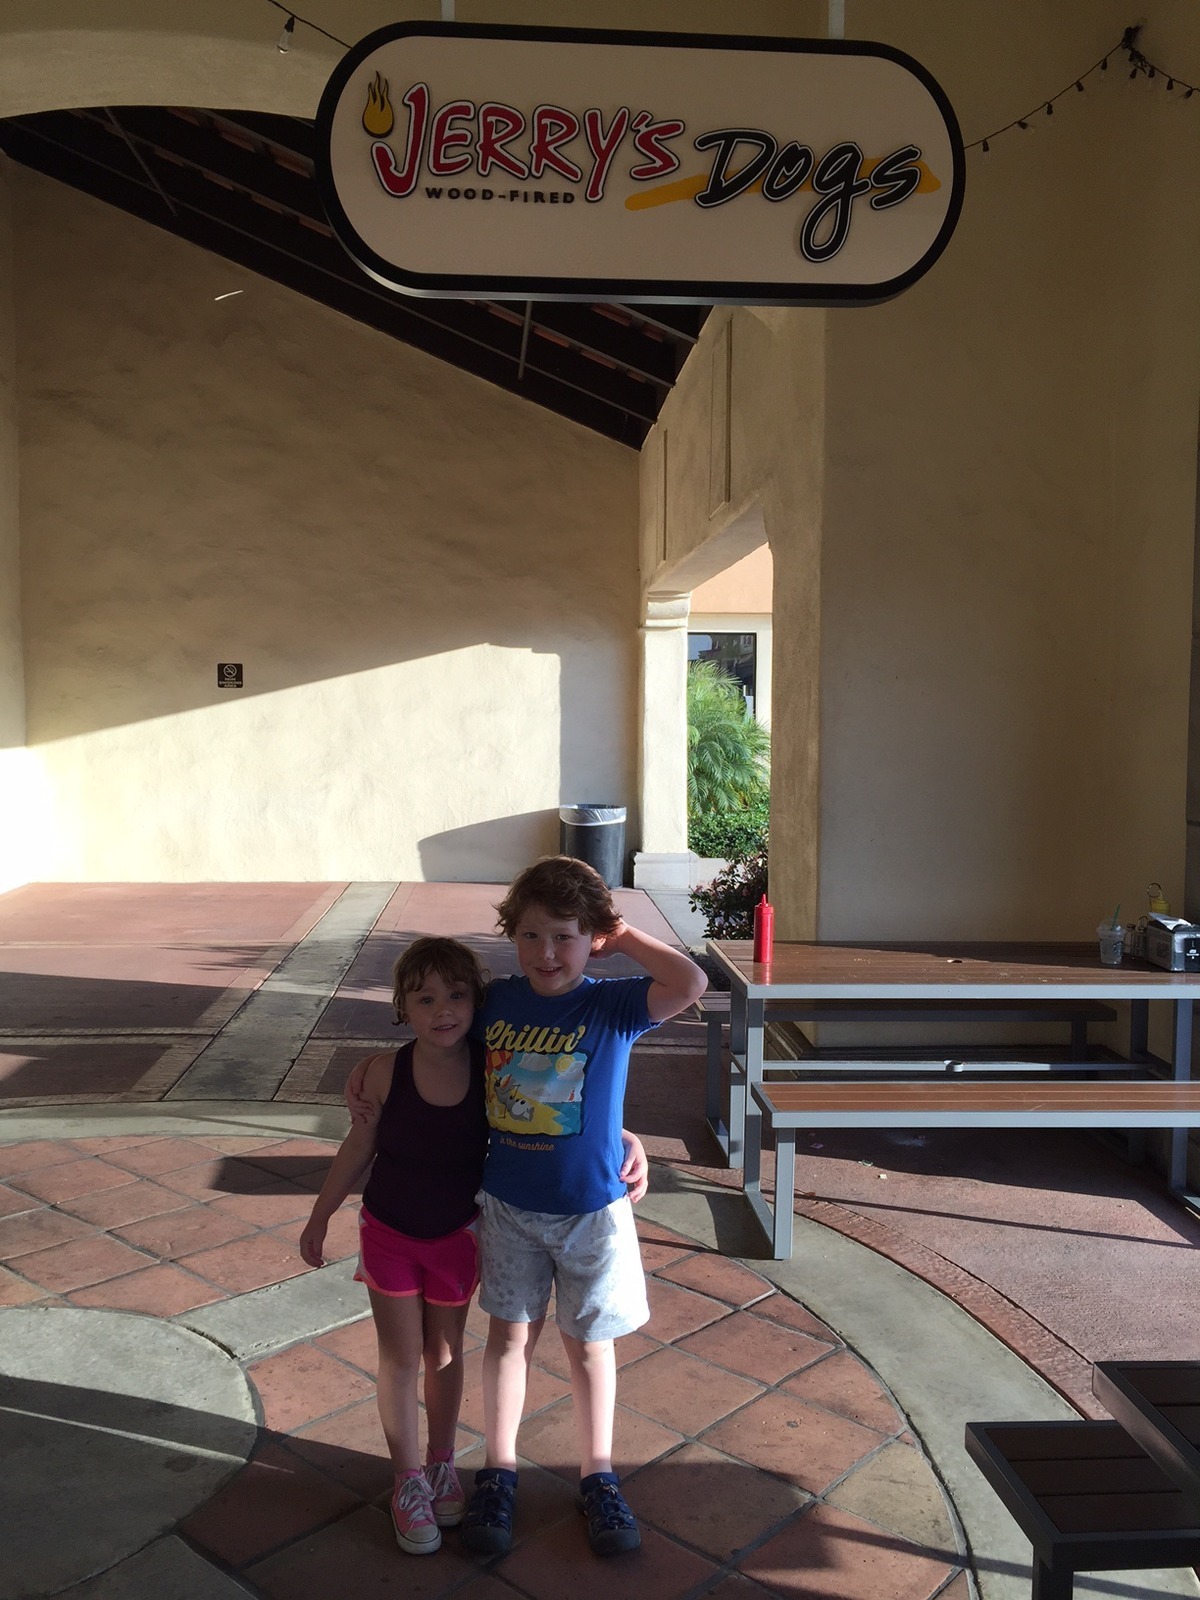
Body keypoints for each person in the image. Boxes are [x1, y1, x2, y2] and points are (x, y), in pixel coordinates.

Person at [311, 934, 649, 1558]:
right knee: (401, 1356)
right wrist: (320, 1213)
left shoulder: (488, 1058)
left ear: (476, 1002)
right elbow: (359, 1143)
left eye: (457, 996)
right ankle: (407, 1479)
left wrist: (623, 1136)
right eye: (425, 999)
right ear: (402, 1006)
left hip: (459, 1236)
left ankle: (442, 1464)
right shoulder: (385, 1072)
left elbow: (542, 1100)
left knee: (443, 1352)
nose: (443, 1010)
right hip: (389, 1232)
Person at [461, 856, 706, 1558]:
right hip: (508, 1206)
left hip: (592, 1211)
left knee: (590, 1346)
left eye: (565, 937)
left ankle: (598, 1473)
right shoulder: (494, 1003)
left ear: (590, 938)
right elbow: (436, 1043)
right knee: (509, 1338)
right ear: (513, 935)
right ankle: (499, 1469)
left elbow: (690, 983)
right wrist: (370, 1076)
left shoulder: (612, 1005)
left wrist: (618, 932)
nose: (547, 953)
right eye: (531, 935)